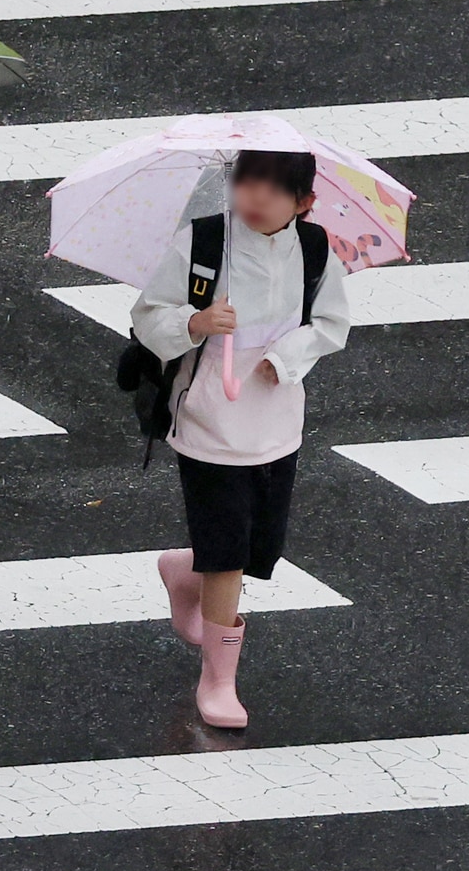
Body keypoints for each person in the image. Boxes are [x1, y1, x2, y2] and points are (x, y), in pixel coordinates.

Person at [131, 149, 351, 730]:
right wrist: (195, 323)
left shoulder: (315, 251)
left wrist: (287, 357)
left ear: (304, 203)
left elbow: (331, 325)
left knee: (259, 548)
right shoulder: (201, 245)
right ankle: (219, 679)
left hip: (277, 421)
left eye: (276, 188)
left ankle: (187, 569)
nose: (257, 196)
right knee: (228, 550)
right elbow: (148, 316)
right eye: (247, 181)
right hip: (209, 423)